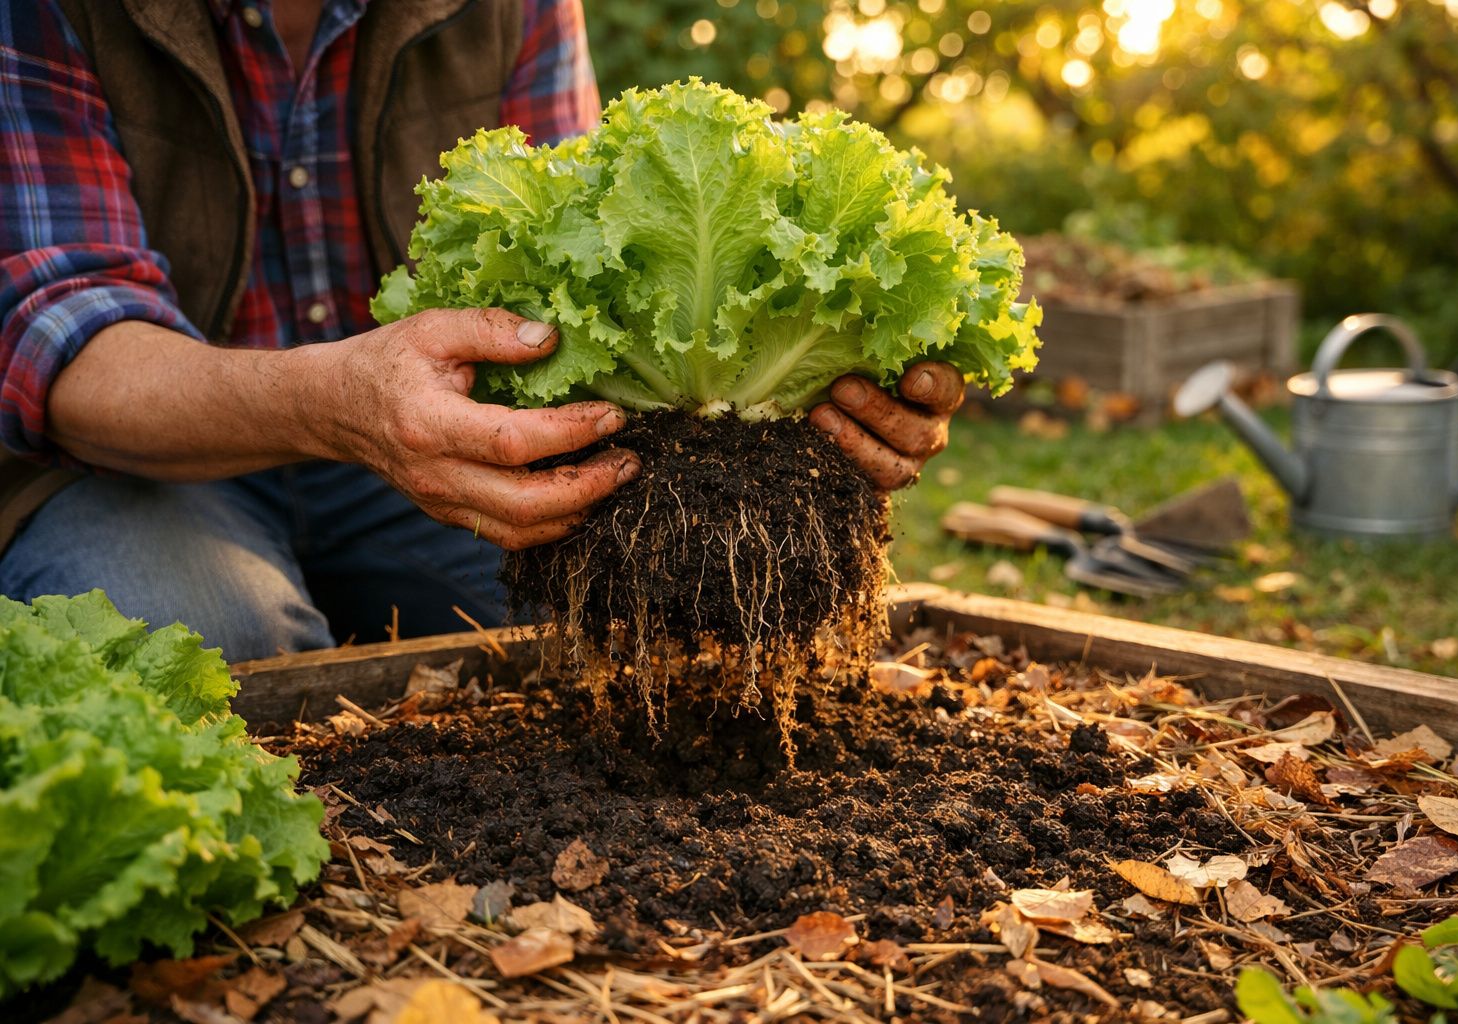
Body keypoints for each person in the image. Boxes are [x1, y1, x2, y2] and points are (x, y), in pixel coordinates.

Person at [0, 0, 965, 663]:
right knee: (197, 641)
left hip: (430, 440)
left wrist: (824, 391)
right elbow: (64, 332)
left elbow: (584, 255)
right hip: (132, 462)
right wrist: (338, 404)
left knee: (647, 616)